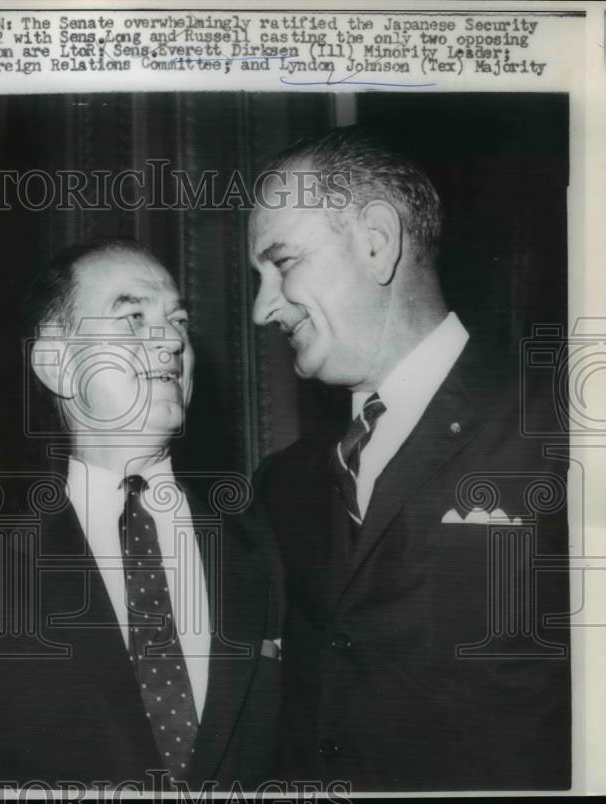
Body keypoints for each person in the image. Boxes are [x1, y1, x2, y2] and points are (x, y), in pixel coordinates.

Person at [247, 126, 570, 791]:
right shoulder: (285, 484)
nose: (261, 307)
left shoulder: (562, 431)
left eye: (281, 264)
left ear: (376, 241)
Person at [0, 240, 280, 791]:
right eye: (134, 318)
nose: (171, 340)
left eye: (178, 322)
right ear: (56, 362)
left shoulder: (268, 544)